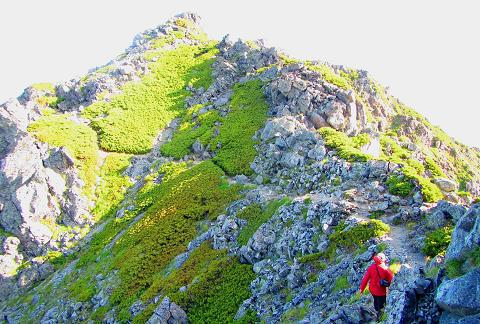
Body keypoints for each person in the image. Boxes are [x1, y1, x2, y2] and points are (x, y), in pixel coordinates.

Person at [359, 253, 394, 320]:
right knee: (382, 305)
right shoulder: (386, 269)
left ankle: (376, 309)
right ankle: (379, 317)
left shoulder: (371, 267)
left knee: (375, 299)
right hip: (381, 292)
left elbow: (365, 279)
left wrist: (361, 289)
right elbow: (391, 280)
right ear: (383, 260)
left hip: (372, 290)